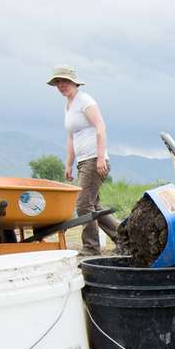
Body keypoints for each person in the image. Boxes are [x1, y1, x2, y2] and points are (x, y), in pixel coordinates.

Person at [47, 65, 120, 253]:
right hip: (83, 161)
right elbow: (71, 137)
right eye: (58, 83)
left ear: (74, 82)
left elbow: (101, 128)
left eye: (65, 81)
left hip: (94, 158)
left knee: (83, 205)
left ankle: (91, 247)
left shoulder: (85, 101)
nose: (62, 85)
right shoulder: (68, 107)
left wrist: (101, 157)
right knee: (93, 205)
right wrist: (69, 164)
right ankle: (124, 237)